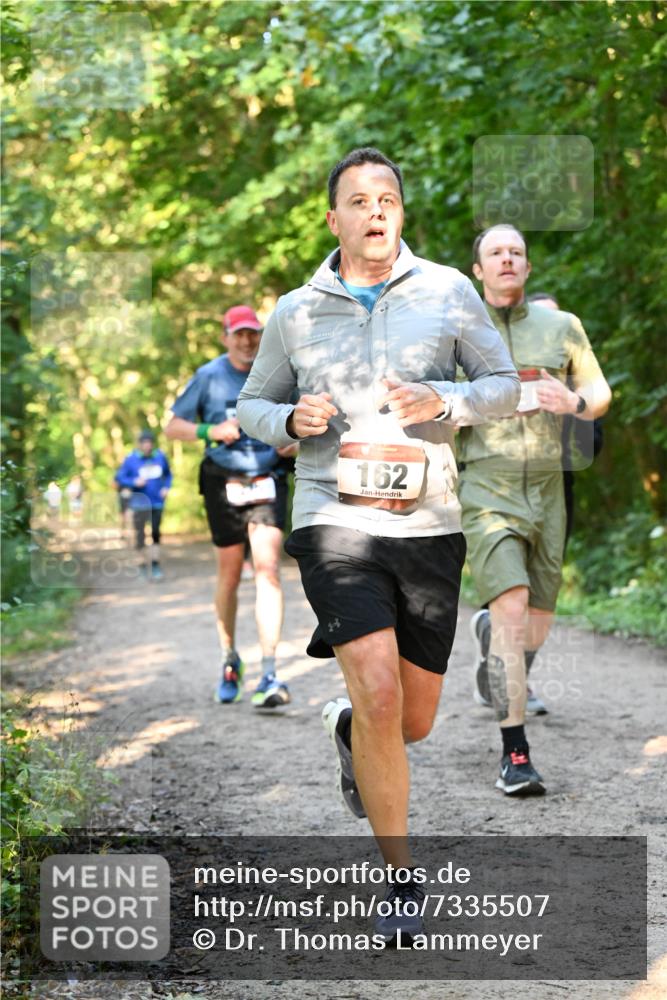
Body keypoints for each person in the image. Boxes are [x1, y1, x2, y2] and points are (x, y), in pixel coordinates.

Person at [236, 147, 519, 940]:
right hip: (333, 516)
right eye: (356, 200)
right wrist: (290, 421)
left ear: (400, 212)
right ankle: (400, 879)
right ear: (334, 220)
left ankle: (348, 730)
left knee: (412, 720)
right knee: (380, 692)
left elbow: (504, 389)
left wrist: (449, 398)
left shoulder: (449, 293)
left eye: (385, 197)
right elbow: (253, 405)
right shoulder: (296, 310)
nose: (373, 210)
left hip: (428, 521)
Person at [460, 224, 611, 796]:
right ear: (478, 269)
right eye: (495, 252)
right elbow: (428, 403)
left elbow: (598, 396)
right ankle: (514, 752)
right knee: (512, 608)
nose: (507, 260)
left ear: (526, 268)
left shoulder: (562, 326)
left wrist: (571, 400)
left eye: (516, 253)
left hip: (550, 489)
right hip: (487, 488)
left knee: (536, 624)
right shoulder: (457, 331)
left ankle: (497, 653)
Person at [165, 305, 295, 710]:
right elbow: (173, 426)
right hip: (222, 482)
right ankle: (229, 658)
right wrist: (210, 430)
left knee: (268, 571)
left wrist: (293, 441)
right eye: (238, 334)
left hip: (267, 479)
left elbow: (303, 423)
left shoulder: (280, 373)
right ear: (225, 337)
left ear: (261, 335)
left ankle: (270, 670)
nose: (246, 340)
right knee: (229, 574)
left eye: (253, 333)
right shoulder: (208, 376)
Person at [527, 291, 604, 552]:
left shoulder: (576, 380)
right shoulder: (508, 369)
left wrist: (571, 405)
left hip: (559, 486)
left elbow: (592, 445)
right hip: (503, 487)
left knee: (548, 574)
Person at [115, 430, 172, 581]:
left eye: (149, 443)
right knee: (140, 535)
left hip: (157, 502)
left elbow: (168, 475)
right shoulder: (131, 459)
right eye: (144, 443)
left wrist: (166, 487)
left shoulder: (160, 456)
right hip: (139, 503)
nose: (147, 446)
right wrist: (134, 482)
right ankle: (141, 565)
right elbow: (120, 477)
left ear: (152, 444)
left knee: (155, 533)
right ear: (139, 444)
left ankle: (155, 564)